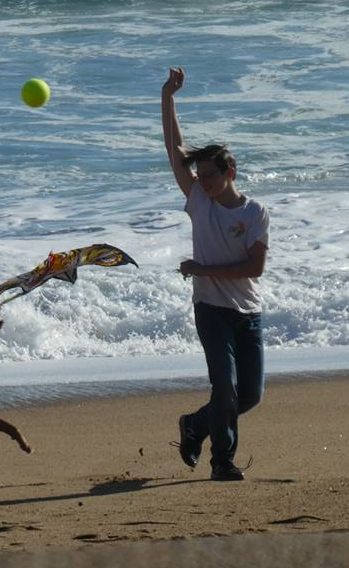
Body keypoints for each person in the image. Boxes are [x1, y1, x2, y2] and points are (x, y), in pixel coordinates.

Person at [161, 68, 270, 481]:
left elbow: (253, 269)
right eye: (199, 175)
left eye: (210, 174)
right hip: (211, 309)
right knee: (225, 387)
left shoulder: (254, 212)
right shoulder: (197, 202)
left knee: (249, 395)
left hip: (249, 313)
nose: (202, 181)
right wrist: (168, 98)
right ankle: (222, 461)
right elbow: (174, 148)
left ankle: (195, 425)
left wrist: (202, 268)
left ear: (231, 172)